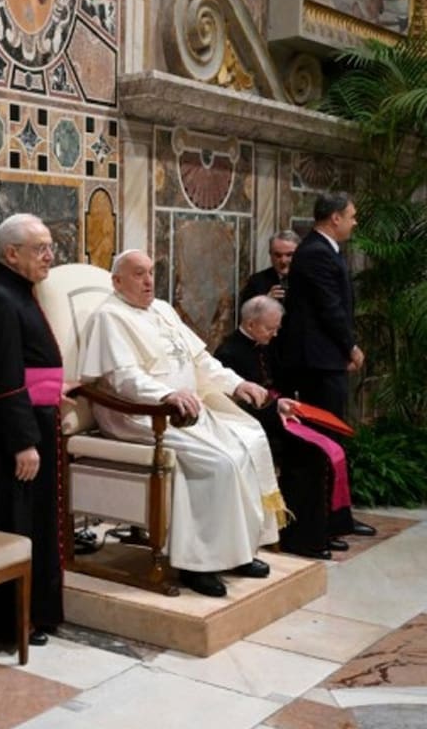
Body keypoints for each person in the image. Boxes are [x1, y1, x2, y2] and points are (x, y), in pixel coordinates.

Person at [78, 250, 286, 598]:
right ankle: (196, 563)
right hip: (139, 414)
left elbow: (200, 360)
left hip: (184, 408)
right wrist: (166, 395)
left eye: (150, 273)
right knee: (217, 463)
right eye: (138, 274)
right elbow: (123, 379)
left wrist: (236, 384)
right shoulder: (109, 317)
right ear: (116, 281)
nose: (148, 281)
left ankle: (237, 551)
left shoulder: (162, 309)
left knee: (246, 446)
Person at [0, 213, 64, 645]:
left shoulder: (18, 292)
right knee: (13, 526)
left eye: (49, 246)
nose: (49, 255)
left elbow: (30, 364)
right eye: (39, 248)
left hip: (31, 422)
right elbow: (4, 377)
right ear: (11, 253)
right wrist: (23, 441)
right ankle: (8, 621)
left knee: (34, 525)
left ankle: (33, 614)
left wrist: (58, 388)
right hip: (9, 438)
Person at [215, 296, 357, 559]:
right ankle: (299, 538)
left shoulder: (266, 345)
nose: (275, 333)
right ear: (251, 323)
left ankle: (324, 529)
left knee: (328, 444)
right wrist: (275, 410)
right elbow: (237, 403)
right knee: (309, 453)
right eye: (271, 328)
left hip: (274, 414)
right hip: (252, 424)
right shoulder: (229, 352)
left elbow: (278, 380)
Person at [279, 192, 375, 537]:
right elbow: (328, 307)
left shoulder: (323, 250)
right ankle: (321, 521)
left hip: (325, 360)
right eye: (351, 215)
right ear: (334, 217)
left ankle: (335, 517)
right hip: (315, 363)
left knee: (334, 439)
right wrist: (348, 347)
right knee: (325, 440)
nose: (354, 221)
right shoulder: (316, 252)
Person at [240, 230, 299, 306]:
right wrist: (265, 302)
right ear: (270, 255)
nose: (283, 261)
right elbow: (245, 315)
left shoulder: (308, 279)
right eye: (278, 255)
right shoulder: (256, 282)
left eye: (289, 255)